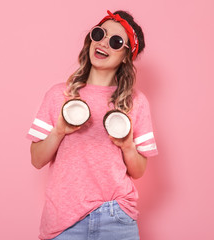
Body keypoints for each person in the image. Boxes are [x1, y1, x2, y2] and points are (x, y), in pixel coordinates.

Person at [26, 10, 158, 240]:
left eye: (116, 41)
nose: (104, 43)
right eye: (99, 34)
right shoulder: (60, 95)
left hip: (116, 218)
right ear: (91, 40)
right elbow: (37, 159)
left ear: (126, 56)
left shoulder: (135, 102)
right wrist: (59, 131)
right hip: (64, 219)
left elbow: (138, 171)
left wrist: (127, 146)